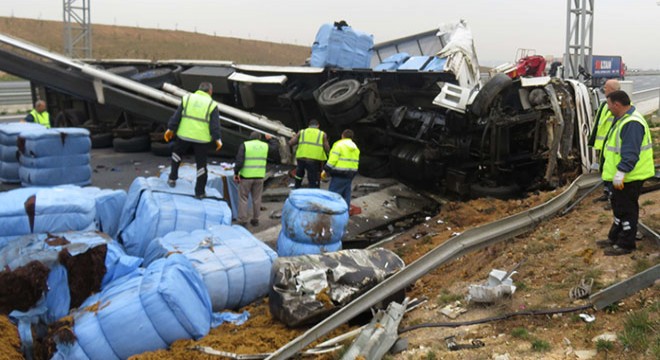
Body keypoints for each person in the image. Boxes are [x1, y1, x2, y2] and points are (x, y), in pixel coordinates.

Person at [597, 90, 655, 256]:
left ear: (617, 104)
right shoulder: (623, 119)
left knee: (627, 210)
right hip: (623, 177)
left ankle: (626, 244)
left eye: (608, 105)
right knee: (619, 208)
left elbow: (630, 152)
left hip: (629, 177)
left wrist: (621, 172)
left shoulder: (631, 123)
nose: (607, 108)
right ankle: (615, 237)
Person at [164, 82, 222, 199]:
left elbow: (177, 116)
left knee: (177, 155)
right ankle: (199, 192)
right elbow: (214, 125)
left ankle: (172, 178)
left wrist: (170, 128)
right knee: (201, 165)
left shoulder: (187, 98)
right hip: (202, 139)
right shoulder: (212, 104)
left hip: (184, 134)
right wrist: (217, 139)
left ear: (198, 89)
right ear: (210, 91)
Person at [233, 131, 279, 227]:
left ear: (250, 137)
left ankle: (242, 220)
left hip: (246, 177)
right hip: (259, 177)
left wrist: (236, 172)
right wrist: (271, 139)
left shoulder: (245, 145)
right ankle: (255, 219)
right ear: (260, 137)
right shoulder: (265, 146)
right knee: (257, 199)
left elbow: (239, 161)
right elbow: (275, 148)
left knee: (243, 198)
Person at [588, 79, 620, 202]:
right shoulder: (604, 105)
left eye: (606, 88)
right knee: (605, 171)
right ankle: (607, 193)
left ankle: (613, 198)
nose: (604, 89)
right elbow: (599, 125)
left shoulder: (619, 105)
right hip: (603, 146)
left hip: (613, 147)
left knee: (612, 171)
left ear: (612, 90)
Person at [288, 119, 329, 189]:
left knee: (299, 173)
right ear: (318, 126)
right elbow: (327, 148)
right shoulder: (322, 134)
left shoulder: (302, 132)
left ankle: (297, 187)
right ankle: (312, 190)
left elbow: (291, 143)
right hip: (314, 159)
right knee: (312, 176)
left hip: (301, 157)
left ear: (309, 126)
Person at [324, 129, 360, 207]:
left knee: (333, 195)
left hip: (339, 173)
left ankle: (332, 213)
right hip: (350, 174)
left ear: (342, 136)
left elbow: (333, 159)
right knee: (346, 195)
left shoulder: (338, 145)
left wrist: (326, 169)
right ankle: (344, 214)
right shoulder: (355, 147)